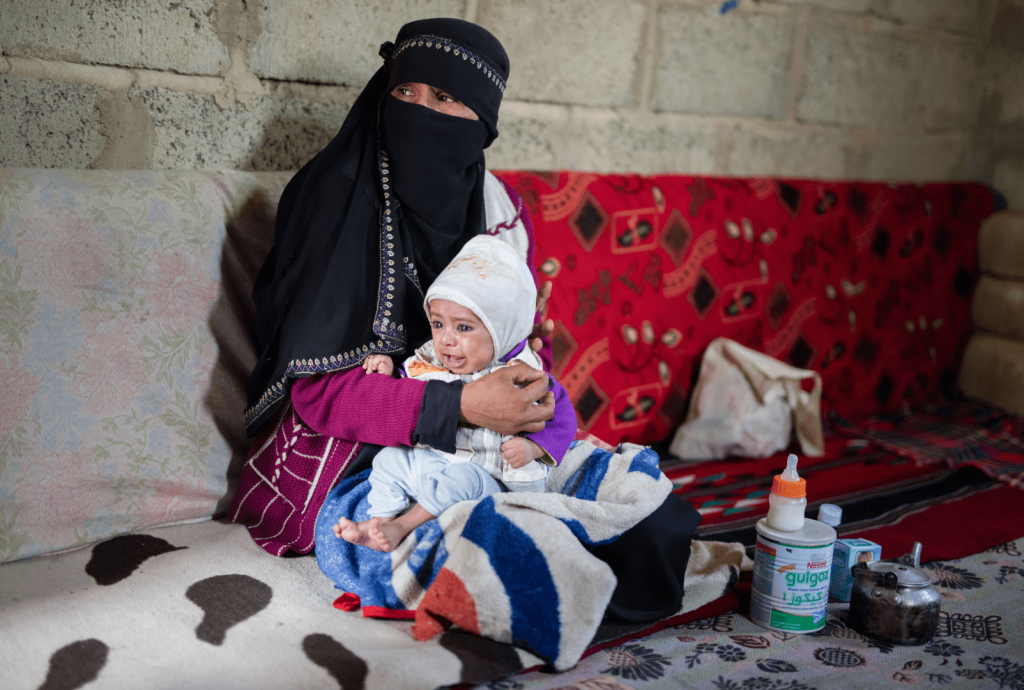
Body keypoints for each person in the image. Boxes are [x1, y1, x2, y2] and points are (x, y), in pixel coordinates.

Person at [229, 17, 701, 624]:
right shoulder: (338, 200)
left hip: (490, 450)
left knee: (647, 511)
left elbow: (518, 350)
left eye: (445, 97)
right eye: (404, 92)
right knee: (489, 555)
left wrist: (527, 399)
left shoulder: (497, 208)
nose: (418, 109)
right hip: (360, 462)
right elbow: (318, 397)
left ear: (481, 123)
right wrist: (460, 409)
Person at [335, 235, 576, 552]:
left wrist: (533, 448)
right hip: (439, 462)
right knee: (389, 460)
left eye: (463, 328)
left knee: (462, 479)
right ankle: (379, 520)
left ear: (502, 329)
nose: (446, 340)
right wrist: (391, 372)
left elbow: (563, 419)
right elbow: (415, 381)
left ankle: (401, 526)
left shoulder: (524, 373)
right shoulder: (434, 359)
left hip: (489, 483)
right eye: (437, 324)